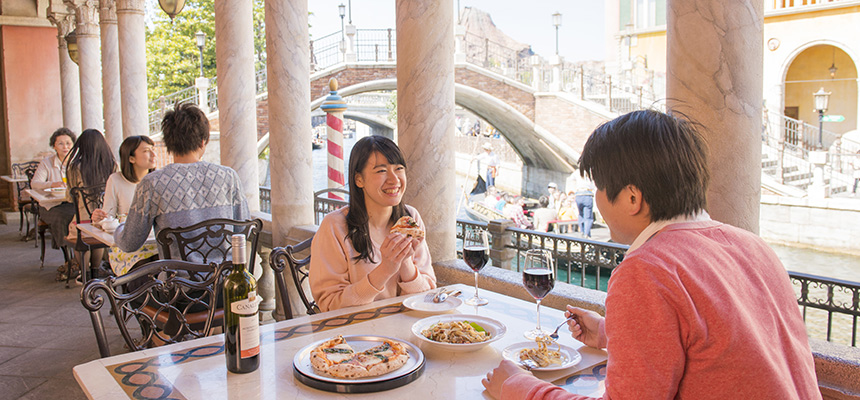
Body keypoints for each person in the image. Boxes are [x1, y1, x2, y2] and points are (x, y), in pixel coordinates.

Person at [482, 110, 821, 400]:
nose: (596, 199)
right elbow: (715, 351)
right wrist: (607, 332)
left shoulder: (646, 269)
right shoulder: (752, 246)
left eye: (599, 186)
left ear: (632, 198)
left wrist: (520, 387)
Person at [309, 135, 436, 312]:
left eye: (399, 168)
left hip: (404, 330)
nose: (394, 179)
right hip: (354, 335)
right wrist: (385, 269)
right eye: (381, 171)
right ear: (359, 179)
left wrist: (405, 262)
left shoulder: (410, 219)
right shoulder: (335, 226)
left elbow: (428, 297)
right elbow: (330, 305)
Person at [115, 103, 250, 261]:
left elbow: (129, 243)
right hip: (225, 279)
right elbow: (243, 230)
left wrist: (118, 229)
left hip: (178, 283)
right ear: (202, 142)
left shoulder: (152, 183)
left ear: (168, 143)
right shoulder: (229, 176)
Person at [91, 136, 158, 276]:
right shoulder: (116, 180)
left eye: (153, 149)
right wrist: (99, 218)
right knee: (145, 267)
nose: (153, 154)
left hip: (155, 243)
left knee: (163, 262)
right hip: (128, 247)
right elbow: (108, 216)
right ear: (131, 158)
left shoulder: (158, 180)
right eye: (146, 151)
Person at [64, 129, 118, 279]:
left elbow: (70, 197)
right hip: (105, 220)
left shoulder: (74, 168)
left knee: (78, 229)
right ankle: (95, 270)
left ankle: (84, 273)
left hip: (82, 220)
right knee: (97, 233)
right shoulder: (112, 166)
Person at [32, 128, 77, 250]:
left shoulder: (76, 163)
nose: (65, 147)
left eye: (68, 143)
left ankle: (85, 255)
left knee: (82, 214)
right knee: (61, 218)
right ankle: (67, 256)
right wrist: (52, 184)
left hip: (71, 202)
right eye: (60, 143)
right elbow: (35, 184)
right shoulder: (46, 163)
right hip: (51, 205)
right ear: (54, 146)